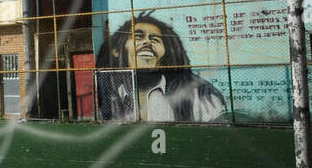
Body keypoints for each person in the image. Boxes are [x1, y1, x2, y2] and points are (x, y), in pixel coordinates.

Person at [95, 13, 226, 123]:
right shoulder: (107, 91)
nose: (147, 42)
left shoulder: (199, 96)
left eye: (155, 39)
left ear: (166, 53)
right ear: (116, 51)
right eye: (138, 36)